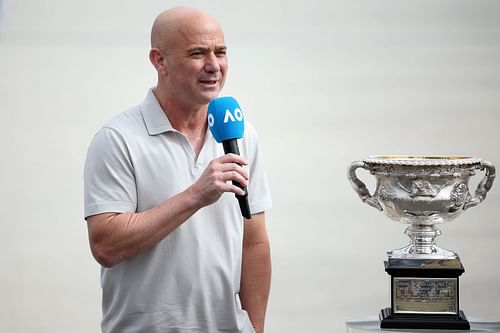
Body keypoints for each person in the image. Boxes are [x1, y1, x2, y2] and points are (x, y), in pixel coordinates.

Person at [83, 6, 272, 333]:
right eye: (197, 53)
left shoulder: (241, 134)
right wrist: (195, 196)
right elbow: (105, 246)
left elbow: (253, 243)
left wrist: (255, 328)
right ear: (160, 61)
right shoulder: (117, 140)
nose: (214, 66)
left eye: (221, 52)